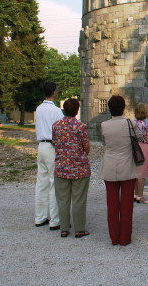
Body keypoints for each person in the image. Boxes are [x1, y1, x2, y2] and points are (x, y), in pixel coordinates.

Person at [99, 95, 143, 246]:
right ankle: (125, 238)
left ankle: (114, 237)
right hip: (127, 165)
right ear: (124, 108)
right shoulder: (130, 123)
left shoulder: (104, 125)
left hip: (110, 165)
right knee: (126, 205)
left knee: (112, 205)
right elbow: (140, 137)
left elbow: (104, 142)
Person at [52, 98, 90, 238]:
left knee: (63, 199)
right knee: (79, 199)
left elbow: (54, 143)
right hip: (79, 167)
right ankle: (79, 228)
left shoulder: (56, 125)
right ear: (77, 110)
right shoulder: (80, 126)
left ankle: (64, 228)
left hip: (61, 166)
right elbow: (86, 147)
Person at [34, 81, 64, 230]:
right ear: (53, 92)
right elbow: (60, 131)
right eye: (57, 90)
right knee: (54, 183)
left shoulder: (38, 109)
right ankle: (55, 220)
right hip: (52, 146)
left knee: (41, 182)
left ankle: (40, 216)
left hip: (41, 145)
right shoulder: (57, 111)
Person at [133, 102, 148, 204]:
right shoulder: (144, 125)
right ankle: (141, 195)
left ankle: (135, 194)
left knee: (136, 172)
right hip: (142, 148)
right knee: (142, 173)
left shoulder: (133, 123)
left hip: (134, 148)